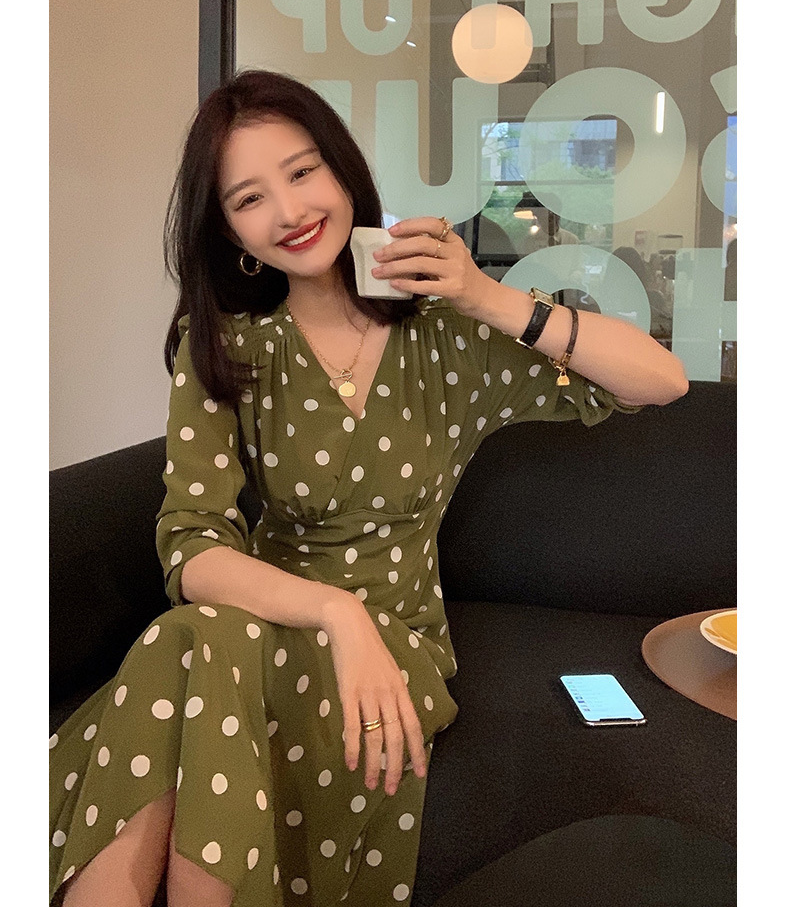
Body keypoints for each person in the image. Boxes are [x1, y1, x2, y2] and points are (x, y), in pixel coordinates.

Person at [49, 70, 689, 907]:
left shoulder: (446, 340)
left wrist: (486, 295)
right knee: (197, 639)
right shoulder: (230, 348)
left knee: (188, 650)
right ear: (232, 231)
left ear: (343, 172)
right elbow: (192, 545)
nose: (288, 209)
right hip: (258, 624)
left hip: (396, 649)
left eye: (302, 171)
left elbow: (660, 381)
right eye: (249, 198)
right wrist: (334, 613)